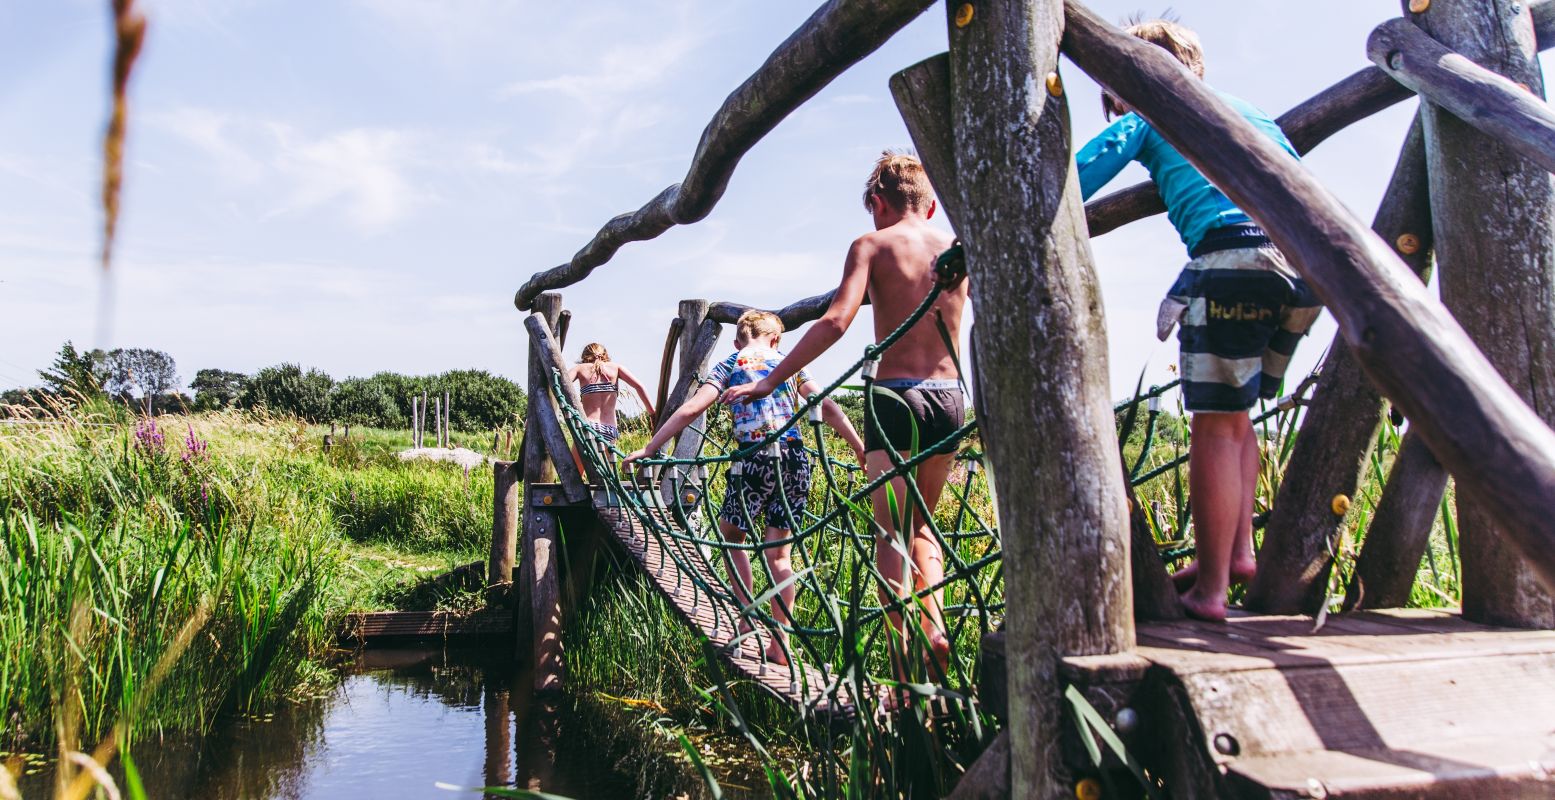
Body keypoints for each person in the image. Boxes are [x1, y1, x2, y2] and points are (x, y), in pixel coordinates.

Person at [1075, 18, 1321, 621]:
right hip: (1302, 267)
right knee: (1238, 420)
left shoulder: (1150, 110)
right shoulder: (1245, 111)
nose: (1115, 108)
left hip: (1232, 262)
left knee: (1212, 425)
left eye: (1113, 96)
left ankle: (1212, 589)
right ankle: (1238, 553)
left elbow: (1078, 173)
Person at [720, 152, 966, 677]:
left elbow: (835, 322)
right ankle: (936, 628)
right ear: (932, 205)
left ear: (877, 203)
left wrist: (769, 378)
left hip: (895, 397)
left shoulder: (871, 245)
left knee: (890, 536)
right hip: (949, 398)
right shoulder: (957, 246)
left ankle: (904, 676)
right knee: (921, 527)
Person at [624, 310, 865, 665]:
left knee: (731, 537)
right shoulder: (789, 363)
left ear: (739, 339)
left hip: (753, 461)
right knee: (779, 555)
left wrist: (650, 447)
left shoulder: (729, 364)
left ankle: (745, 620)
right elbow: (823, 404)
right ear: (775, 338)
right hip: (795, 459)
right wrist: (859, 446)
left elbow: (691, 408)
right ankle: (780, 643)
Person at [566, 342, 656, 446]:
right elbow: (639, 386)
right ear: (605, 355)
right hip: (610, 429)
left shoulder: (580, 368)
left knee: (573, 463)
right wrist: (652, 413)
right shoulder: (616, 368)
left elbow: (561, 382)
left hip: (588, 426)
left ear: (585, 356)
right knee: (607, 462)